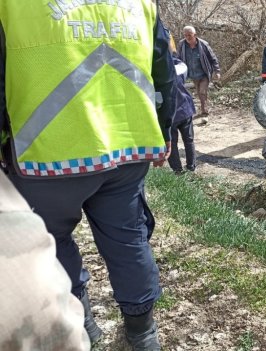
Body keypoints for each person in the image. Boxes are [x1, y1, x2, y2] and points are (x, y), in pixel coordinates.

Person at [0, 2, 176, 350]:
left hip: (45, 155)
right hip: (127, 146)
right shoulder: (141, 3)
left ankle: (81, 323)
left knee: (52, 241)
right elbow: (164, 71)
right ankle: (142, 333)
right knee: (128, 239)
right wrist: (164, 129)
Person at [0, 173, 90, 351]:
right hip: (126, 159)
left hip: (45, 166)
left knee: (59, 239)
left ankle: (89, 324)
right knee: (128, 240)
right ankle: (142, 333)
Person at [168, 36, 197, 173]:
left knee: (172, 143)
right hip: (185, 109)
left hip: (170, 113)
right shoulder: (180, 66)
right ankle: (191, 167)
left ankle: (177, 171)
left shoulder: (155, 70)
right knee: (189, 140)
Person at [177, 25, 221, 117]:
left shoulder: (203, 44)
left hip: (204, 73)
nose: (187, 37)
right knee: (199, 92)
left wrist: (217, 71)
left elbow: (213, 58)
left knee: (202, 91)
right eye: (185, 35)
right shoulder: (182, 44)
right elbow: (179, 58)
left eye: (190, 35)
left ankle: (205, 112)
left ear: (195, 34)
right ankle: (203, 108)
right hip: (193, 74)